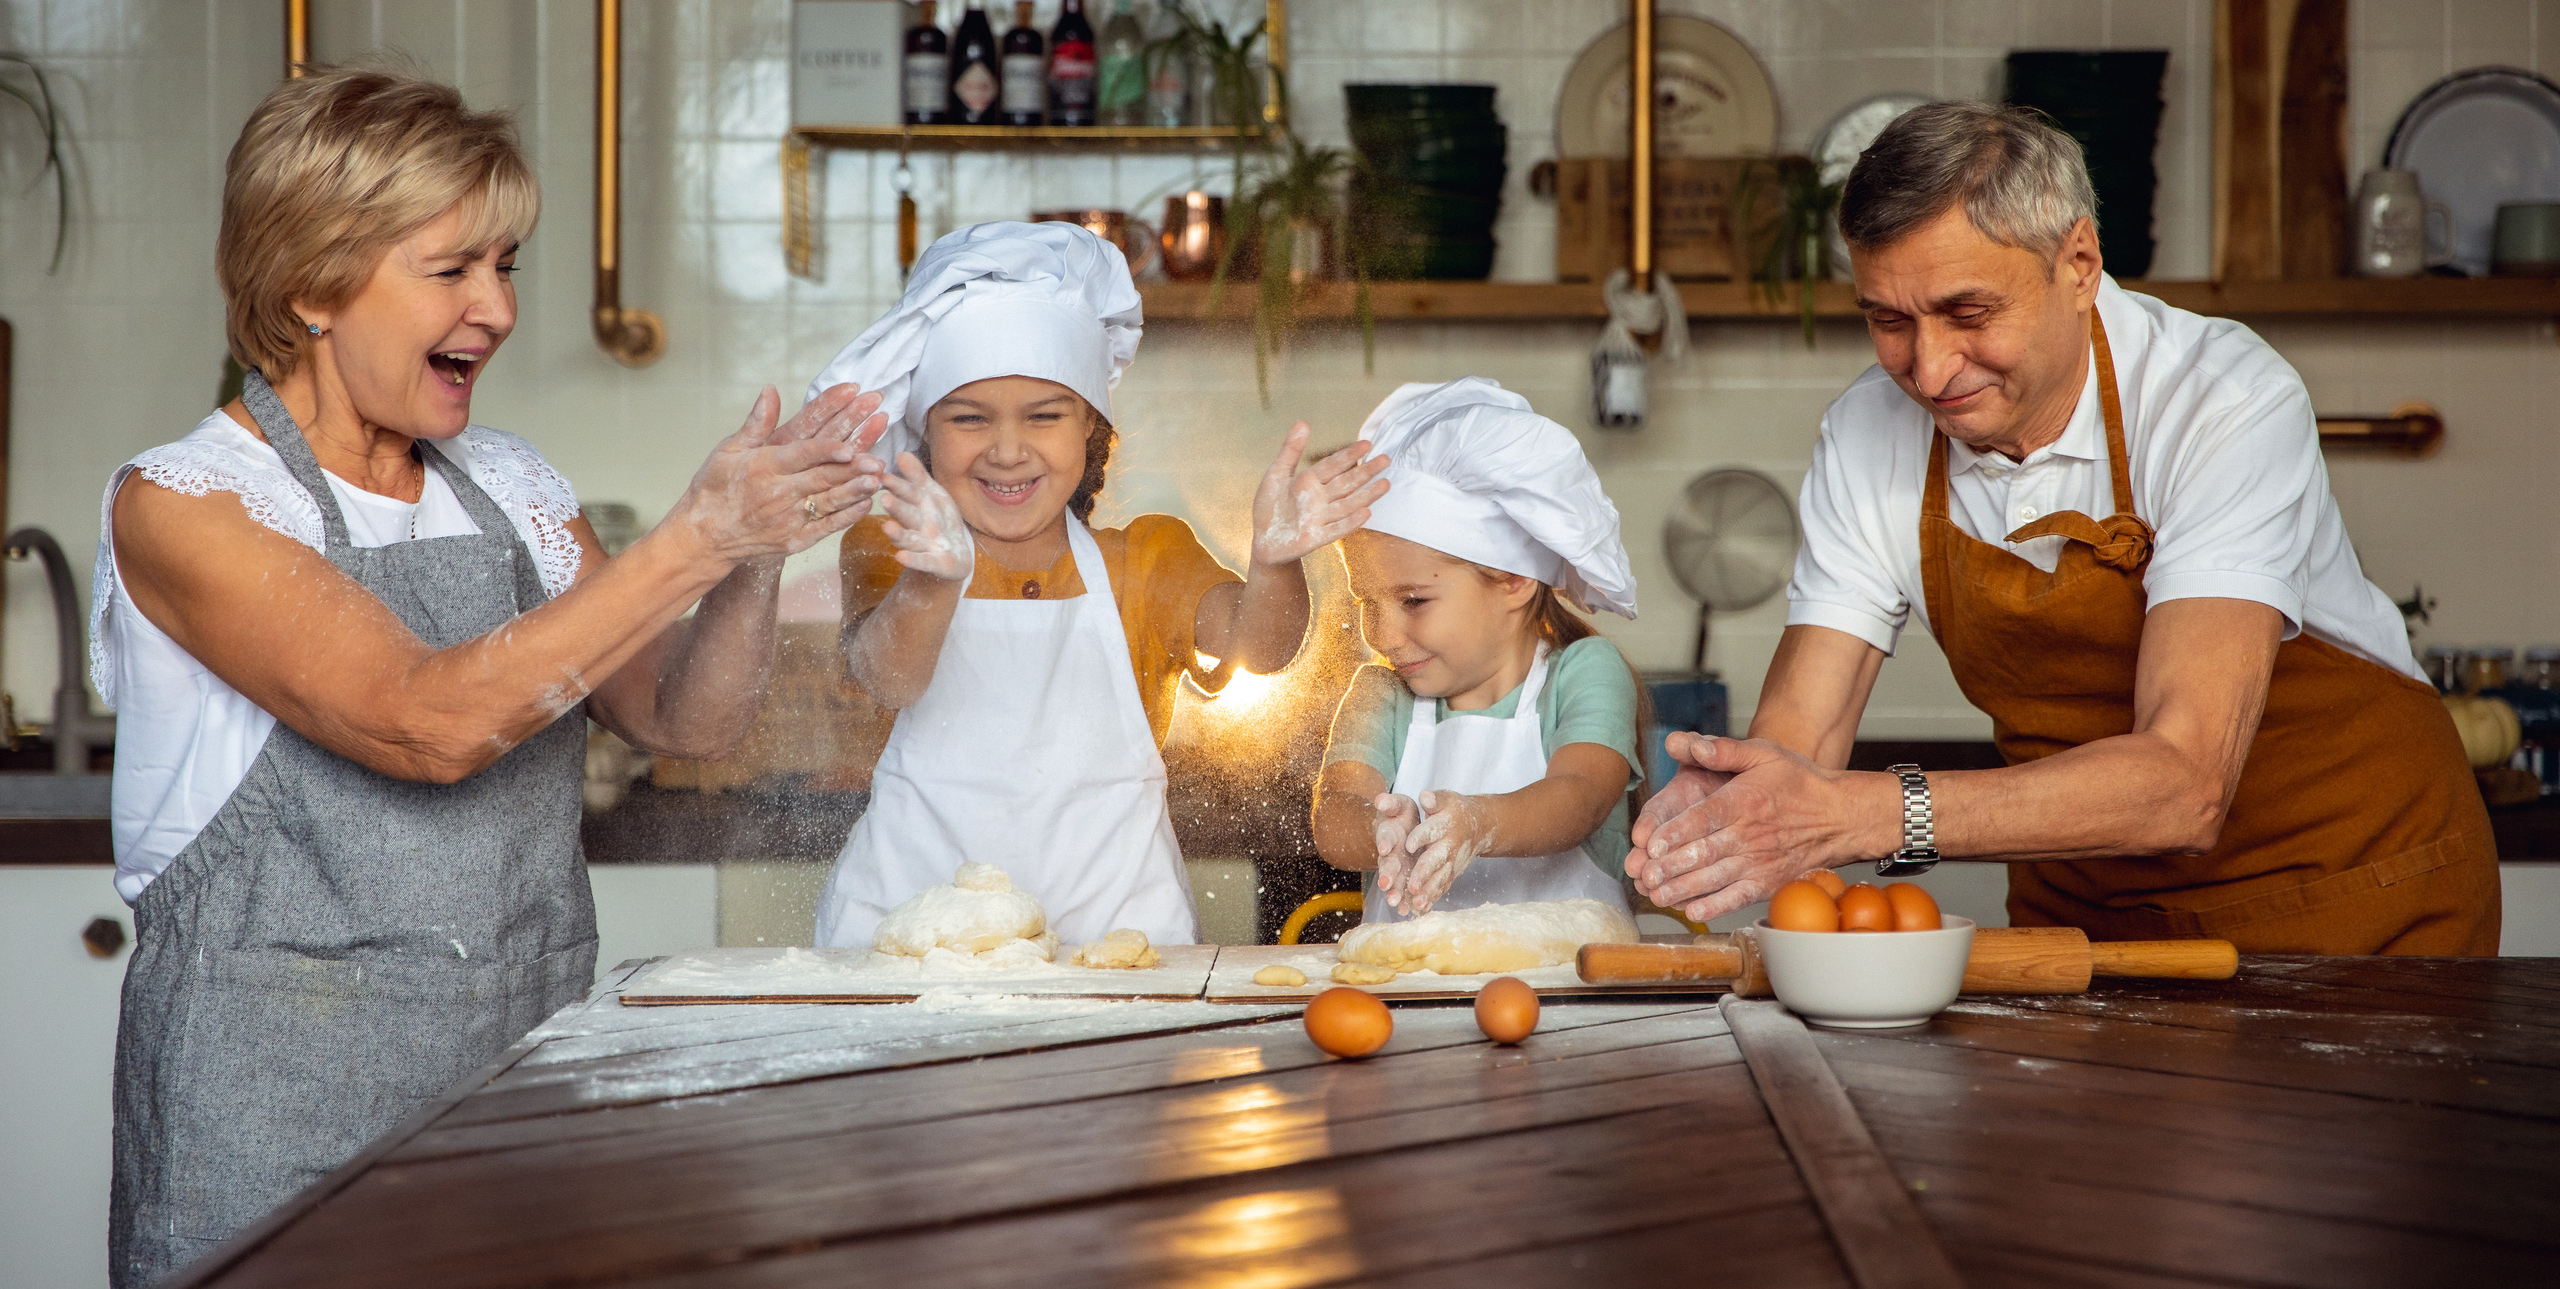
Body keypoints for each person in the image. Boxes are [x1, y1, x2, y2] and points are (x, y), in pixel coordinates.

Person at [97, 68, 890, 1286]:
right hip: (270, 1135)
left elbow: (685, 715)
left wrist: (753, 545)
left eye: (506, 264)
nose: (499, 309)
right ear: (311, 283)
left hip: (512, 1102)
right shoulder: (189, 504)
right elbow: (426, 723)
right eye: (452, 268)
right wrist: (693, 535)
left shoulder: (508, 485)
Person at [1627, 102, 2498, 955]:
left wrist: (1864, 812)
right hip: (2084, 922)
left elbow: (2187, 783)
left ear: (2078, 263)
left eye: (1968, 313)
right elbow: (1799, 741)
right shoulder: (1866, 433)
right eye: (1889, 321)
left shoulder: (2219, 400)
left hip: (2355, 893)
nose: (1927, 371)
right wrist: (1727, 816)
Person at [809, 221, 1388, 949]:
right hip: (909, 955)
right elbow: (889, 677)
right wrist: (935, 581)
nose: (1008, 449)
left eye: (1044, 416)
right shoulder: (889, 547)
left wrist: (1275, 560)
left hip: (1119, 957)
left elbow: (1261, 645)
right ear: (926, 427)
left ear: (1090, 425)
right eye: (969, 418)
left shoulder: (1145, 559)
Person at [1313, 378, 1645, 920]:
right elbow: (1334, 816)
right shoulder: (1383, 695)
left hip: (1569, 994)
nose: (1382, 635)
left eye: (1413, 600)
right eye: (1365, 601)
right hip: (1407, 995)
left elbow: (1580, 796)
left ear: (1514, 579)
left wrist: (1476, 823)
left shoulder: (1583, 673)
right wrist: (1379, 829)